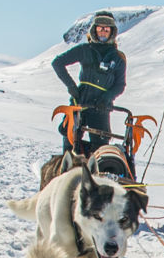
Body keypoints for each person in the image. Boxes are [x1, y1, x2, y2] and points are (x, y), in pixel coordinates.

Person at [51, 11, 127, 155]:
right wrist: (72, 87)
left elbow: (120, 85)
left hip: (101, 106)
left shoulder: (118, 58)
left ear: (112, 32)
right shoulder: (84, 50)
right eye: (100, 28)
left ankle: (95, 174)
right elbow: (57, 63)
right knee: (70, 141)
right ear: (94, 30)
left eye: (106, 29)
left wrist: (107, 97)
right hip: (80, 101)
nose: (103, 32)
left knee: (100, 148)